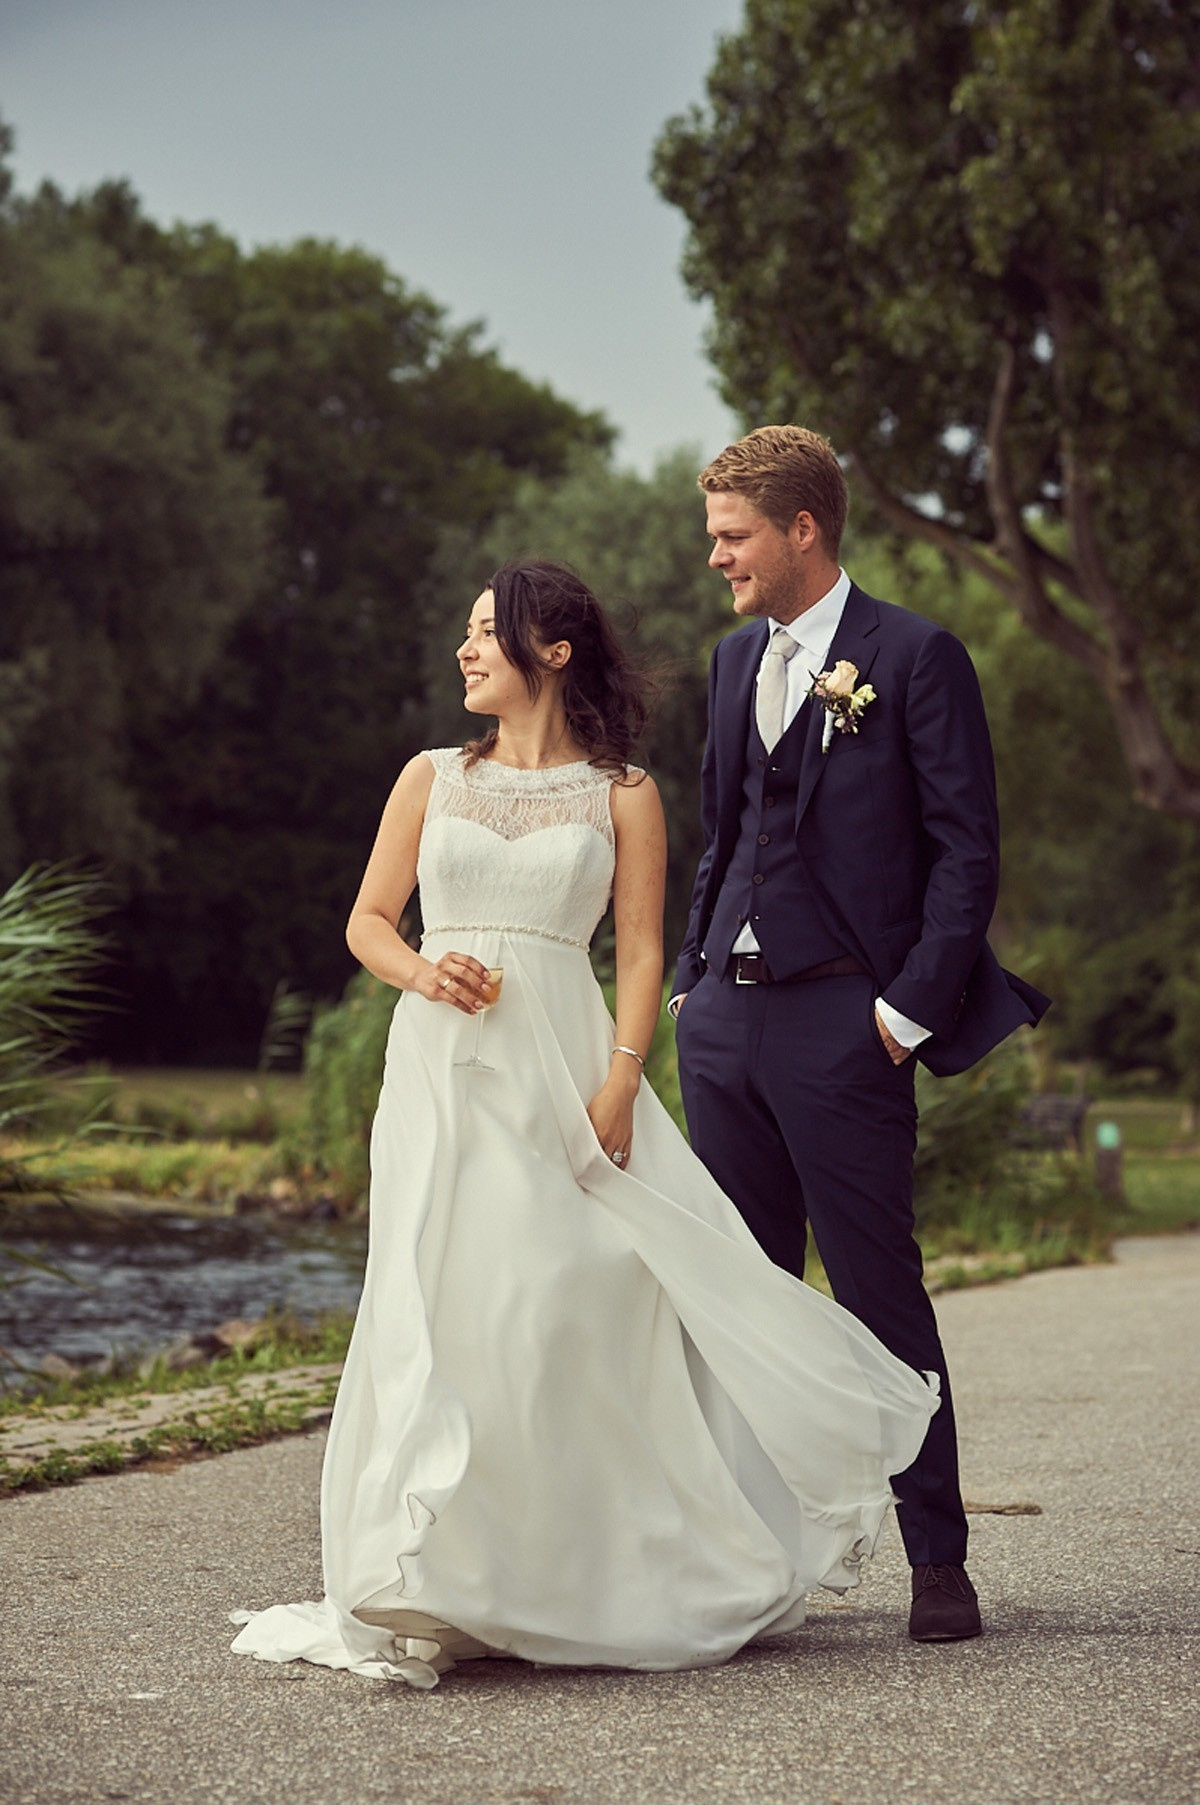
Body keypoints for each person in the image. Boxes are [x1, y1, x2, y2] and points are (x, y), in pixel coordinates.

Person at [230, 559, 938, 1689]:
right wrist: (420, 968)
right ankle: (446, 1577)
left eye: (485, 633)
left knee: (572, 1295)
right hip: (446, 1066)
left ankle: (581, 1568)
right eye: (463, 634)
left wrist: (621, 1076)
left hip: (570, 1061)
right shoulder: (428, 775)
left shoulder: (624, 793)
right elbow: (366, 918)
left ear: (551, 652)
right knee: (456, 1304)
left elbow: (649, 950)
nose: (464, 652)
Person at [671, 426, 1051, 1643]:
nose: (717, 556)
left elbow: (966, 855)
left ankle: (938, 1560)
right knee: (743, 1297)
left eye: (734, 535)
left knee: (882, 1290)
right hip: (725, 1024)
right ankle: (753, 1565)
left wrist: (900, 1015)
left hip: (851, 1021)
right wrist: (690, 983)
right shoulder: (735, 662)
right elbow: (722, 835)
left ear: (803, 531)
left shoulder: (919, 656)